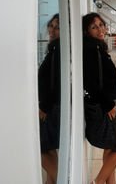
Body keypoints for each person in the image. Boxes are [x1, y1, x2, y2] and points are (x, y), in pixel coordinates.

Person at [82, 12, 116, 184]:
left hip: (107, 103)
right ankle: (98, 181)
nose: (100, 29)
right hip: (107, 106)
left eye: (101, 25)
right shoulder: (91, 49)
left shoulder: (96, 47)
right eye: (94, 27)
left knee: (111, 146)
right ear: (87, 31)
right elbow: (91, 82)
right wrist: (109, 105)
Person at [38, 13, 61, 184]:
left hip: (50, 109)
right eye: (51, 26)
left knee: (43, 150)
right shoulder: (55, 48)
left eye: (57, 27)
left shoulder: (58, 50)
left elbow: (54, 84)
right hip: (52, 107)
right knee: (50, 150)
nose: (52, 30)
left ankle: (60, 178)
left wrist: (43, 107)